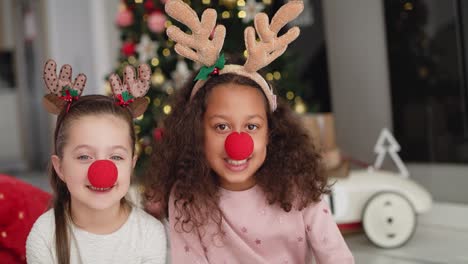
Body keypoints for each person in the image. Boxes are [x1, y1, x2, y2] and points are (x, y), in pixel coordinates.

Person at [144, 0, 354, 263]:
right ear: (196, 131)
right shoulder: (186, 198)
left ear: (271, 132)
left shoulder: (298, 188)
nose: (237, 142)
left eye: (252, 126)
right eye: (222, 126)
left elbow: (336, 257)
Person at [26, 60, 166, 264]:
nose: (101, 171)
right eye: (84, 157)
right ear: (60, 167)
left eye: (116, 157)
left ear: (131, 165)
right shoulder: (44, 235)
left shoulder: (150, 234)